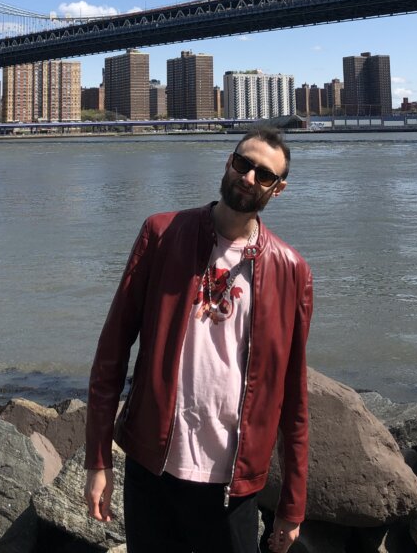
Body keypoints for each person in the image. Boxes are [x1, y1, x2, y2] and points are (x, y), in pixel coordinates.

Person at [84, 127, 313, 553]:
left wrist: (292, 504)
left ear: (277, 190)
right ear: (228, 162)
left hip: (231, 483)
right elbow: (111, 354)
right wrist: (98, 459)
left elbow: (294, 397)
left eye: (264, 175)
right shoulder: (161, 234)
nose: (249, 178)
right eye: (243, 164)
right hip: (152, 467)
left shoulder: (292, 271)